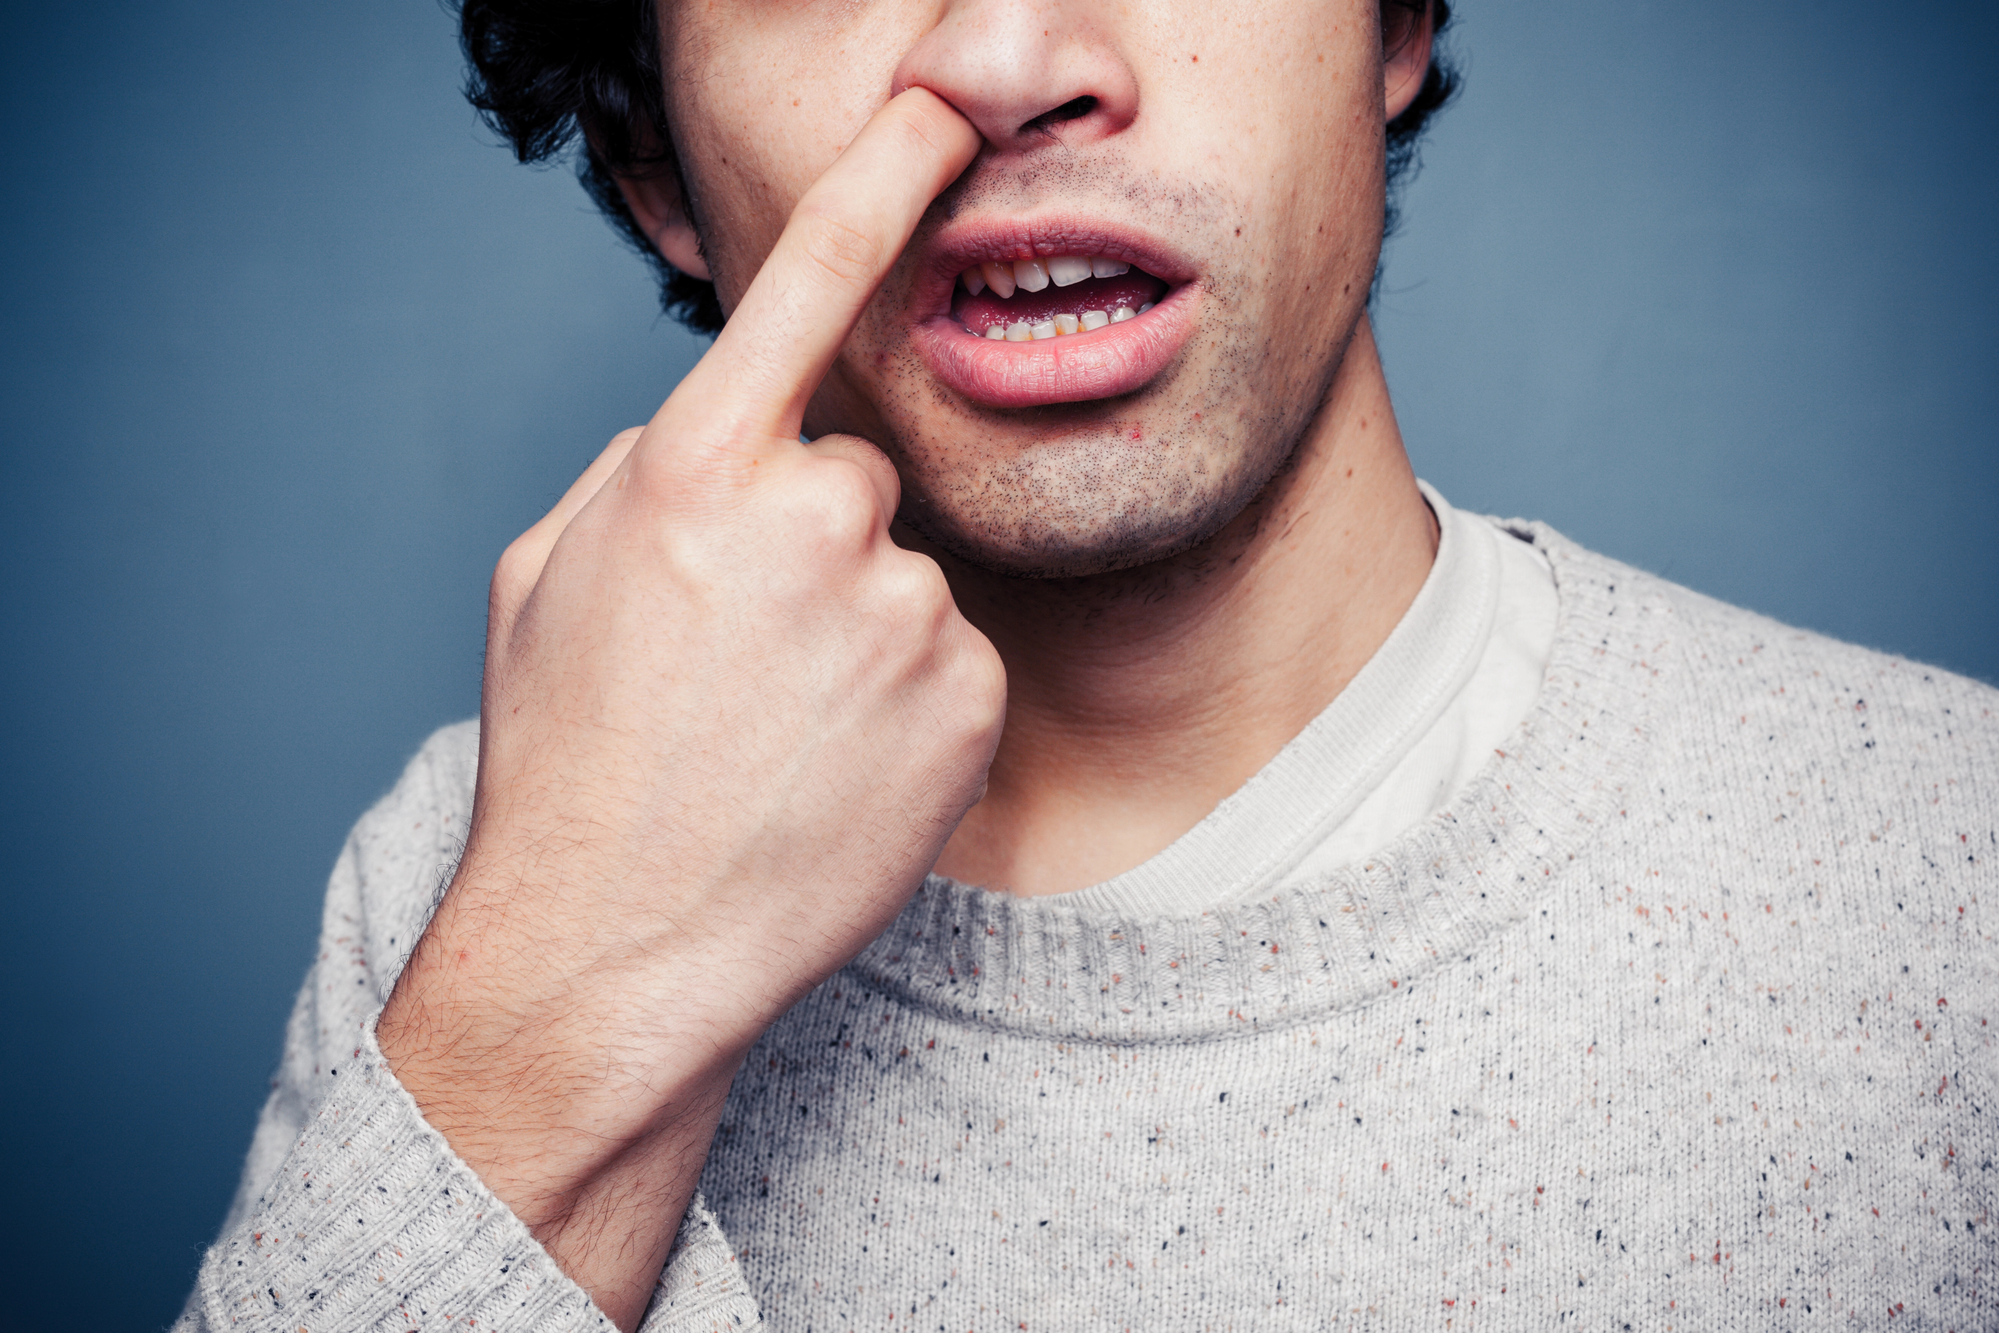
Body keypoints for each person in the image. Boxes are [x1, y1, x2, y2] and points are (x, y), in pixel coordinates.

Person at [177, 0, 1995, 1328]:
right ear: (658, 163)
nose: (1011, 58)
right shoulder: (467, 888)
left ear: (1394, 20)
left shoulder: (1947, 880)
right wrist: (561, 998)